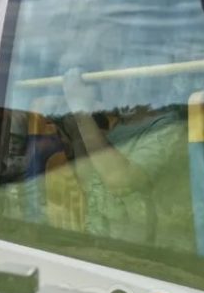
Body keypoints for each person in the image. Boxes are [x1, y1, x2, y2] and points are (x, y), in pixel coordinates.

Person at [60, 67, 193, 250]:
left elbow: (121, 181)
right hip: (106, 246)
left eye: (133, 83)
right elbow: (88, 180)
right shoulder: (118, 130)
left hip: (150, 256)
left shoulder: (169, 129)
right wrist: (78, 131)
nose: (124, 90)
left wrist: (82, 114)